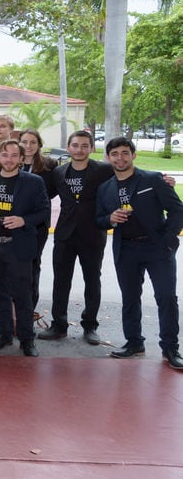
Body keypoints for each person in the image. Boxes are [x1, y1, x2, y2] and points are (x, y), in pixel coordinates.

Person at [96, 137, 183, 369]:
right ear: (108, 158)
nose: (120, 158)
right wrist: (110, 219)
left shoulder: (152, 179)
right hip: (126, 249)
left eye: (125, 153)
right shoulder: (105, 189)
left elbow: (177, 209)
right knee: (130, 298)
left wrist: (168, 239)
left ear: (133, 155)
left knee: (166, 298)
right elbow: (99, 219)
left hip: (157, 247)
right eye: (115, 154)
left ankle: (170, 348)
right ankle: (134, 343)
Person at [39, 131, 114, 345]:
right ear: (68, 147)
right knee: (61, 281)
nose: (79, 150)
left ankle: (90, 326)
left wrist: (161, 179)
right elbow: (42, 193)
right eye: (75, 145)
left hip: (93, 234)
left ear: (91, 148)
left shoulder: (104, 170)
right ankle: (58, 325)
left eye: (84, 146)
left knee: (92, 281)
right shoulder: (59, 172)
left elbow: (130, 175)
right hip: (64, 234)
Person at [0, 140, 50, 357]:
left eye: (13, 155)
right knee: (0, 292)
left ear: (21, 158)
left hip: (18, 246)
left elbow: (44, 211)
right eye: (4, 155)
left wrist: (24, 220)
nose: (9, 159)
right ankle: (4, 334)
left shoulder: (33, 182)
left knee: (22, 295)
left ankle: (27, 339)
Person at [18, 129, 57, 311]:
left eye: (33, 142)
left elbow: (52, 191)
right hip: (14, 222)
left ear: (39, 144)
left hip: (37, 224)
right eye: (24, 142)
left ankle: (29, 307)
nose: (28, 146)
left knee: (33, 264)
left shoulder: (49, 165)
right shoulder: (12, 161)